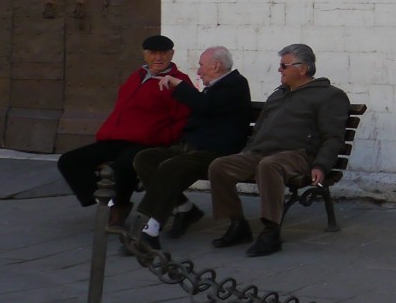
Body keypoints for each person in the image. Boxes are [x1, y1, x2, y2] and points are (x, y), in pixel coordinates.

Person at [205, 44, 348, 257]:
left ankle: (271, 232)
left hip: (299, 155)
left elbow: (333, 136)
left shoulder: (329, 96)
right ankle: (237, 224)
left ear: (302, 68)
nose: (279, 70)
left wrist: (321, 165)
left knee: (269, 165)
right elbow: (259, 130)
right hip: (262, 153)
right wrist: (247, 152)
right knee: (220, 166)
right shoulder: (278, 95)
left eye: (284, 65)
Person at [54, 36, 188, 230]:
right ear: (145, 54)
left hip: (147, 142)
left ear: (172, 54)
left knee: (123, 166)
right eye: (153, 53)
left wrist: (161, 137)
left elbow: (184, 120)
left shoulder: (178, 82)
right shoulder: (136, 76)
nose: (158, 58)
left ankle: (120, 205)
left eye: (164, 53)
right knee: (69, 161)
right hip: (115, 139)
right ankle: (107, 203)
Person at [131, 46, 252, 243]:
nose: (198, 71)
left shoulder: (235, 83)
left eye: (201, 66)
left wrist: (178, 84)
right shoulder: (214, 86)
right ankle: (185, 208)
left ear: (216, 65)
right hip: (192, 146)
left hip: (215, 152)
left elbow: (206, 106)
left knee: (170, 167)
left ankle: (149, 228)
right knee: (145, 158)